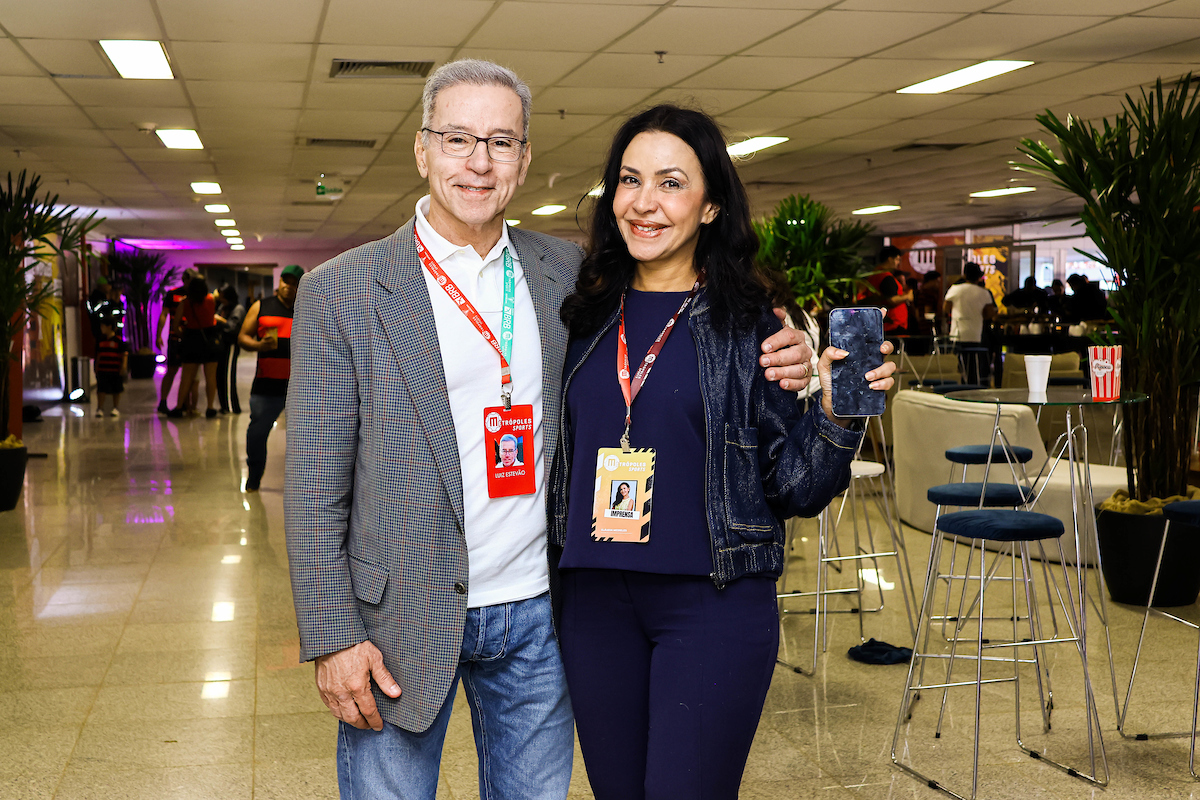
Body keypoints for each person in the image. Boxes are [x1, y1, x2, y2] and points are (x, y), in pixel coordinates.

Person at [283, 60, 816, 800]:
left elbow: (693, 320)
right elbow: (314, 487)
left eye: (501, 142)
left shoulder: (567, 275)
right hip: (398, 617)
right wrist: (333, 636)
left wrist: (791, 348)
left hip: (543, 613)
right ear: (421, 149)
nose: (478, 162)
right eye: (458, 137)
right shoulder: (341, 289)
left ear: (525, 160)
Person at [551, 105, 895, 800]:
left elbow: (797, 488)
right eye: (629, 179)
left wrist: (836, 411)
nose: (644, 202)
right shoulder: (577, 313)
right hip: (591, 603)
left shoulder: (751, 327)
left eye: (671, 183)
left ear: (711, 207)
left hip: (711, 604)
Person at [239, 265, 302, 492]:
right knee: (256, 433)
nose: (288, 286)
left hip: (300, 387)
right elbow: (243, 337)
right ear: (280, 283)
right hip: (266, 386)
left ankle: (304, 485)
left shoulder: (305, 308)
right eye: (285, 281)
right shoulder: (262, 306)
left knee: (305, 440)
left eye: (294, 282)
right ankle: (254, 477)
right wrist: (258, 345)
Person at [168, 276, 224, 418]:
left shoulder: (185, 303)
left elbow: (175, 326)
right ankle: (210, 407)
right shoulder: (211, 300)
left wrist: (183, 336)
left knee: (187, 377)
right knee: (211, 377)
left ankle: (179, 407)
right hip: (209, 339)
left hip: (192, 340)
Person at [943, 262, 996, 384]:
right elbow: (989, 313)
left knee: (958, 366)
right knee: (975, 366)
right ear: (978, 276)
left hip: (958, 333)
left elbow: (945, 308)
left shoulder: (955, 289)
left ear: (965, 275)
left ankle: (958, 388)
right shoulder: (984, 293)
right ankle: (974, 388)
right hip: (976, 334)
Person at [156, 267, 198, 414]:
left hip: (191, 338)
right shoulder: (173, 294)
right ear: (185, 280)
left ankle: (186, 404)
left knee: (189, 373)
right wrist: (158, 334)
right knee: (172, 369)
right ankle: (163, 401)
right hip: (175, 338)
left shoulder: (196, 296)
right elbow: (164, 314)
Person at [216, 285, 245, 414]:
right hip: (221, 345)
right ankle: (223, 405)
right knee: (220, 375)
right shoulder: (222, 307)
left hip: (231, 345)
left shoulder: (237, 309)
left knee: (228, 375)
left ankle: (231, 406)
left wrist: (220, 321)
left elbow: (233, 328)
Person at [871, 245, 913, 335]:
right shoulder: (885, 277)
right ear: (890, 259)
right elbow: (891, 299)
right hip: (893, 324)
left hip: (884, 323)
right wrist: (908, 296)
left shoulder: (874, 274)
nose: (898, 263)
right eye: (897, 259)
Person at [92, 315, 128, 418]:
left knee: (116, 389)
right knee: (101, 389)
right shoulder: (100, 341)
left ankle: (115, 407)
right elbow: (98, 355)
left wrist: (123, 367)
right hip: (103, 369)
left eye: (103, 326)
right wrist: (96, 367)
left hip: (115, 370)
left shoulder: (119, 342)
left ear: (109, 327)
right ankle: (100, 408)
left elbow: (124, 355)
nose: (101, 328)